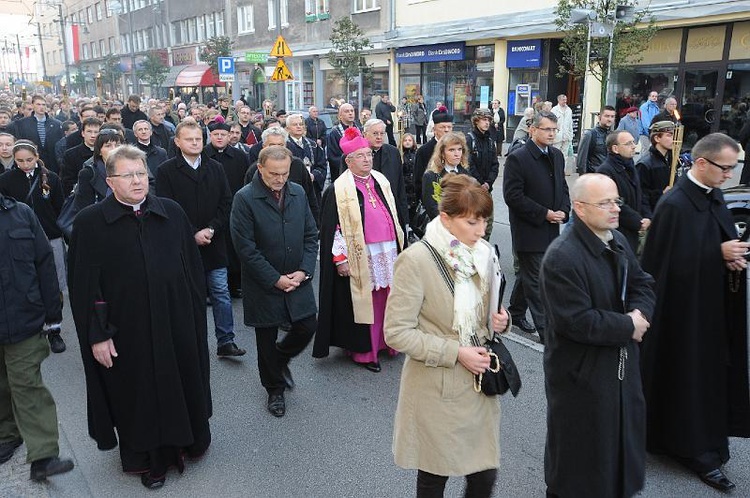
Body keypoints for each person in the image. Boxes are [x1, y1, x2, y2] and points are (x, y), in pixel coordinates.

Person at [68, 145, 212, 489]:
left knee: (180, 381)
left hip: (175, 321)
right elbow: (85, 288)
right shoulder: (90, 223)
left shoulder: (171, 213)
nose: (137, 181)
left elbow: (192, 271)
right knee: (139, 394)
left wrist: (195, 321)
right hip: (127, 330)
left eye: (141, 173)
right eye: (127, 175)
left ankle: (185, 444)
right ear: (109, 180)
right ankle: (150, 462)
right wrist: (97, 335)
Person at [384, 173, 510, 498]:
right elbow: (396, 333)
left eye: (484, 220)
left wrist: (501, 320)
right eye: (471, 222)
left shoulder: (484, 253)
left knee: (483, 476)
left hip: (478, 385)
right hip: (435, 386)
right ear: (446, 218)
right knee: (434, 476)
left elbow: (487, 311)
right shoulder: (415, 261)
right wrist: (456, 352)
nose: (481, 230)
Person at [640, 133, 750, 493]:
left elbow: (715, 239)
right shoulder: (674, 205)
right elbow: (664, 267)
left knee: (710, 378)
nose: (729, 176)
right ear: (702, 163)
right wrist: (716, 253)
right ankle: (695, 451)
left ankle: (699, 444)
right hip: (681, 319)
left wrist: (730, 257)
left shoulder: (713, 195)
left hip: (712, 312)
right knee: (687, 380)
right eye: (725, 168)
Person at [540, 173, 655, 498]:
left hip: (621, 370)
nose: (615, 209)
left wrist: (641, 314)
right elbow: (577, 321)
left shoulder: (615, 239)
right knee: (579, 467)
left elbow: (641, 283)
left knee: (617, 459)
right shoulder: (562, 257)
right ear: (579, 207)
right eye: (604, 202)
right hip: (583, 379)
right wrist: (628, 327)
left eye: (616, 201)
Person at [230, 146, 318, 418]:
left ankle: (280, 359)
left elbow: (310, 235)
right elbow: (245, 248)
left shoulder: (298, 192)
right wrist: (274, 279)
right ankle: (274, 390)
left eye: (285, 173)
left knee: (307, 325)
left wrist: (304, 271)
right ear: (260, 169)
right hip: (263, 282)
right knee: (266, 337)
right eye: (274, 174)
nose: (280, 179)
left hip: (296, 276)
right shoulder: (244, 199)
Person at [314, 127, 404, 371]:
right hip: (361, 254)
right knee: (368, 302)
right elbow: (333, 229)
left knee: (387, 297)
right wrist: (340, 258)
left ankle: (388, 343)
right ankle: (367, 352)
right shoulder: (338, 189)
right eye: (361, 156)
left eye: (369, 155)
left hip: (387, 250)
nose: (367, 160)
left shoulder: (380, 180)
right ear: (348, 160)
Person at [155, 120, 246, 358]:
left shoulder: (215, 168)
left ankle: (226, 340)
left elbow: (226, 203)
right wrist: (192, 232)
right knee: (187, 298)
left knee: (221, 293)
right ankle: (190, 344)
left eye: (198, 139)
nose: (195, 143)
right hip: (183, 245)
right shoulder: (166, 171)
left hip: (214, 242)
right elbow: (167, 207)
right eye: (189, 139)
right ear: (177, 142)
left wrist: (212, 229)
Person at [0, 190, 74, 480]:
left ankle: (43, 456)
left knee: (27, 383)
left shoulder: (21, 213)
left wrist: (53, 312)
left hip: (24, 317)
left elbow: (45, 262)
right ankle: (7, 434)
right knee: (1, 385)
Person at [503, 111, 570, 344]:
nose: (552, 133)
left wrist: (564, 209)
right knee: (539, 281)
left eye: (554, 129)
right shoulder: (518, 158)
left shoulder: (557, 155)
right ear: (533, 130)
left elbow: (563, 186)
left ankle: (517, 312)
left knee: (529, 276)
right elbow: (512, 196)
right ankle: (547, 332)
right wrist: (544, 214)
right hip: (529, 230)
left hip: (552, 228)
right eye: (547, 129)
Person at [0, 139, 66, 353]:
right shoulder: (6, 180)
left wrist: (57, 230)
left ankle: (55, 329)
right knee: (28, 283)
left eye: (29, 159)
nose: (25, 164)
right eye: (19, 161)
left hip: (50, 237)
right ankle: (32, 327)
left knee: (53, 284)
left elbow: (60, 207)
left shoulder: (52, 179)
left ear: (37, 157)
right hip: (21, 240)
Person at [205, 120, 251, 298]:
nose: (219, 137)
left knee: (234, 247)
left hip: (234, 207)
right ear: (210, 136)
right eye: (216, 134)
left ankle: (235, 284)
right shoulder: (203, 155)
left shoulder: (240, 156)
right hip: (212, 210)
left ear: (229, 136)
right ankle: (210, 289)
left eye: (223, 134)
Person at [596, 131, 650, 254]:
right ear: (615, 148)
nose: (634, 146)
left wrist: (647, 216)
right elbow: (615, 203)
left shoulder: (631, 167)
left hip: (633, 231)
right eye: (628, 143)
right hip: (618, 232)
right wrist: (638, 221)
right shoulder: (605, 171)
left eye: (633, 142)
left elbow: (640, 195)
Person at [364, 118, 409, 230]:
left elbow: (400, 187)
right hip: (368, 215)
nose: (379, 137)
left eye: (382, 133)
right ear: (365, 134)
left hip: (391, 209)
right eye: (375, 133)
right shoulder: (357, 155)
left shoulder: (393, 152)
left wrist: (405, 218)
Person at [8, 95, 64, 174]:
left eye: (43, 105)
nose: (41, 107)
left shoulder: (56, 124)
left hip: (52, 162)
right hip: (30, 161)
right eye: (38, 104)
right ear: (32, 105)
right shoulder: (22, 124)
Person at [466, 108, 500, 239]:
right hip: (473, 190)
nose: (487, 123)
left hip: (487, 190)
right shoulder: (470, 139)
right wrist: (480, 183)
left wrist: (488, 183)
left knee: (488, 223)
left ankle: (485, 251)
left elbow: (495, 165)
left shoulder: (490, 141)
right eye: (484, 120)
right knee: (473, 223)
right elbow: (469, 165)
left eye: (489, 120)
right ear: (476, 121)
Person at [422, 131, 470, 220]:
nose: (457, 154)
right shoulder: (431, 176)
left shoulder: (466, 174)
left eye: (459, 149)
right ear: (442, 153)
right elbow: (431, 207)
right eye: (452, 150)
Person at [286, 113, 327, 208]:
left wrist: (314, 175)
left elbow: (322, 165)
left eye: (301, 124)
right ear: (288, 128)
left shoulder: (313, 145)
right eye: (295, 125)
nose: (299, 127)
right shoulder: (285, 145)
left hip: (312, 188)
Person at [414, 106, 453, 203]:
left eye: (449, 127)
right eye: (443, 127)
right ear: (434, 129)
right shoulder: (424, 150)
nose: (447, 130)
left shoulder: (457, 148)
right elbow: (418, 180)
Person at [636, 121, 674, 215]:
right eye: (669, 135)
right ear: (657, 138)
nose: (674, 139)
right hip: (655, 214)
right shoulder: (645, 164)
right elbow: (641, 195)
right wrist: (661, 193)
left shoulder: (673, 160)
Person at [61, 117, 102, 194]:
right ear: (83, 133)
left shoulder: (106, 153)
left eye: (96, 132)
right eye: (89, 131)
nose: (93, 135)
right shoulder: (70, 155)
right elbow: (67, 182)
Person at [576, 106, 616, 174]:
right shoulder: (589, 134)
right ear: (599, 117)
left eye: (612, 116)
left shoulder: (613, 136)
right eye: (607, 116)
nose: (610, 119)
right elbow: (581, 162)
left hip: (609, 177)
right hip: (594, 177)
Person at [326, 103, 360, 183]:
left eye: (352, 111)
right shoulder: (334, 133)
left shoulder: (360, 130)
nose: (350, 113)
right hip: (342, 173)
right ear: (340, 116)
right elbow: (332, 157)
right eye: (347, 111)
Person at [551, 95, 574, 173]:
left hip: (566, 135)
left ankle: (562, 171)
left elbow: (570, 123)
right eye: (563, 100)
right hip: (557, 136)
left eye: (566, 100)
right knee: (556, 153)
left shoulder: (569, 110)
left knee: (565, 155)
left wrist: (571, 134)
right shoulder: (554, 110)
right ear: (559, 100)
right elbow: (552, 122)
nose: (565, 101)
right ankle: (555, 170)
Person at [400, 133, 418, 219]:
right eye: (405, 140)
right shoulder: (400, 155)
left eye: (409, 140)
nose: (407, 142)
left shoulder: (417, 155)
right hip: (405, 186)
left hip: (414, 186)